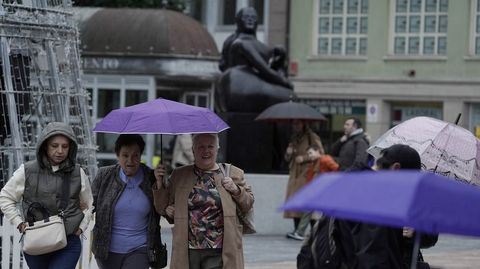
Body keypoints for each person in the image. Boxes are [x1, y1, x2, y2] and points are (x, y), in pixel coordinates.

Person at [152, 133, 254, 269]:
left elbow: (248, 204)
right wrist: (160, 184)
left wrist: (236, 190)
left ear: (217, 149)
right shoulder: (179, 175)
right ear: (193, 150)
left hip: (220, 250)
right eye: (200, 147)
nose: (206, 151)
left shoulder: (233, 173)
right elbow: (161, 208)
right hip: (188, 251)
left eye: (210, 146)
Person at [0, 122, 93, 269]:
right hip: (37, 243)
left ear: (71, 147)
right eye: (54, 145)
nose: (60, 150)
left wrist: (81, 227)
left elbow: (89, 204)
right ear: (45, 146)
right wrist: (18, 222)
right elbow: (5, 197)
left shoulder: (78, 172)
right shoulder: (27, 170)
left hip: (68, 243)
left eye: (65, 146)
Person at [91, 134, 164, 269]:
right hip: (106, 251)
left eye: (135, 155)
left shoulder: (151, 177)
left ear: (141, 155)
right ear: (117, 155)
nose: (130, 160)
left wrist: (159, 184)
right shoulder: (104, 175)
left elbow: (163, 209)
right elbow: (88, 205)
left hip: (139, 249)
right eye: (125, 155)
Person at [216, 6, 293, 113]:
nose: (250, 19)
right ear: (238, 20)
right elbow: (263, 69)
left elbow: (271, 70)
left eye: (253, 17)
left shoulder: (262, 47)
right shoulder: (239, 43)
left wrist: (280, 57)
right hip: (239, 87)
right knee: (289, 95)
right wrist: (285, 82)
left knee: (287, 95)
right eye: (246, 17)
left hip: (254, 84)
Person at [286, 144, 339, 241]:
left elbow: (337, 170)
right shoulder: (314, 163)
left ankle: (303, 232)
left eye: (311, 153)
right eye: (308, 154)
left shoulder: (325, 159)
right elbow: (310, 180)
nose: (309, 156)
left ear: (318, 151)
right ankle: (300, 232)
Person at [284, 120, 324, 238]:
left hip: (307, 173)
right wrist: (288, 153)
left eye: (298, 123)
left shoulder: (312, 137)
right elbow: (287, 158)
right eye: (293, 124)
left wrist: (304, 157)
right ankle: (297, 230)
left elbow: (320, 152)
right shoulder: (293, 138)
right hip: (294, 174)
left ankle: (313, 231)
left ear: (304, 124)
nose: (295, 126)